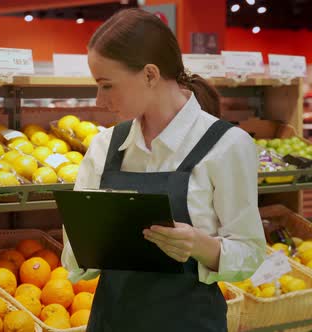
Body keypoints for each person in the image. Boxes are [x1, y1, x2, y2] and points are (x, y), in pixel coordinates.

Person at [61, 8, 266, 332]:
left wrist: (201, 245)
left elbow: (251, 252)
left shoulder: (227, 146)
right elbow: (73, 258)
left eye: (107, 85)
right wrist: (88, 246)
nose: (100, 100)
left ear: (150, 75)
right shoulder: (104, 147)